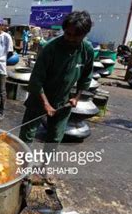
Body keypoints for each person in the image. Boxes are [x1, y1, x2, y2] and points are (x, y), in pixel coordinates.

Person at [19, 11, 94, 144]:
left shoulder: (87, 51)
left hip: (63, 102)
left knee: (55, 137)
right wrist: (46, 104)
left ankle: (44, 164)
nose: (71, 38)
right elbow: (36, 79)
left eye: (76, 36)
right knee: (27, 134)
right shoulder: (50, 48)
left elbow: (86, 77)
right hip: (39, 99)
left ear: (85, 34)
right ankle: (21, 163)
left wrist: (76, 97)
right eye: (68, 34)